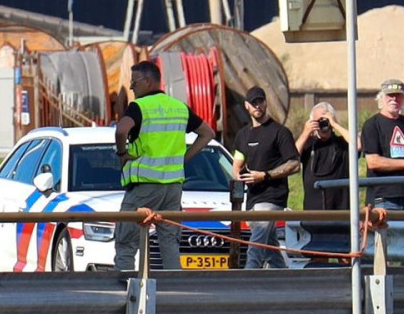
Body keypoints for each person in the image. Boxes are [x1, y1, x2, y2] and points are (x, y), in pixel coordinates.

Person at [113, 60, 216, 272]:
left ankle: (125, 294)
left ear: (148, 81)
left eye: (134, 82)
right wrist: (184, 159)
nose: (131, 87)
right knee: (169, 245)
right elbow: (208, 134)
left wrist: (122, 154)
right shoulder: (179, 107)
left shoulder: (140, 106)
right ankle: (175, 296)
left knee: (126, 244)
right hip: (172, 189)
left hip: (144, 187)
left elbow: (121, 131)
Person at [236, 86, 300, 269]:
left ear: (266, 103)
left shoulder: (280, 132)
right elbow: (237, 163)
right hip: (252, 198)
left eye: (260, 101)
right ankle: (284, 280)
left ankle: (246, 282)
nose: (257, 106)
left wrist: (265, 176)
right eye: (253, 103)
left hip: (273, 197)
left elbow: (295, 164)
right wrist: (240, 175)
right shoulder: (243, 135)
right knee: (270, 247)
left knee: (255, 247)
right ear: (246, 106)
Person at [360, 78, 404, 211]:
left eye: (398, 96)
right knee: (385, 232)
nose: (394, 99)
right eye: (390, 95)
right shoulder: (372, 125)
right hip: (383, 199)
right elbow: (373, 162)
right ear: (381, 98)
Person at [296, 100, 350, 211]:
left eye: (325, 120)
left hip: (340, 211)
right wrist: (306, 132)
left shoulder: (341, 144)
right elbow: (292, 156)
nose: (322, 124)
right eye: (318, 121)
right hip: (313, 212)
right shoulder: (308, 144)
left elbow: (358, 145)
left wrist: (335, 124)